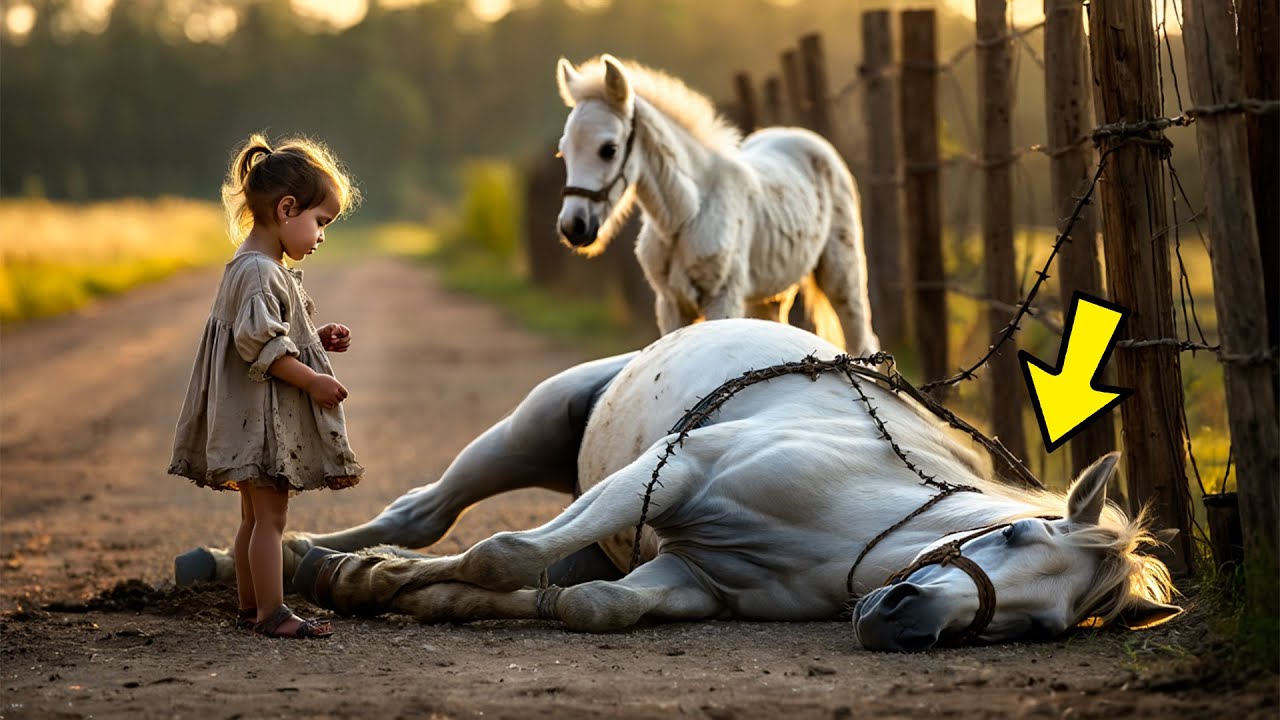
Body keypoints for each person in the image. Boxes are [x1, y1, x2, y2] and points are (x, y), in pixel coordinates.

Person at [168, 133, 363, 639]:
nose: (321, 236)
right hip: (259, 423)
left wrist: (313, 339)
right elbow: (264, 350)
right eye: (320, 223)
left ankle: (251, 608)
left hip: (250, 416)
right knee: (270, 521)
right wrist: (315, 379)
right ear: (287, 207)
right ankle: (273, 612)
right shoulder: (259, 272)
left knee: (254, 520)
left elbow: (264, 336)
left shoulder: (255, 267)